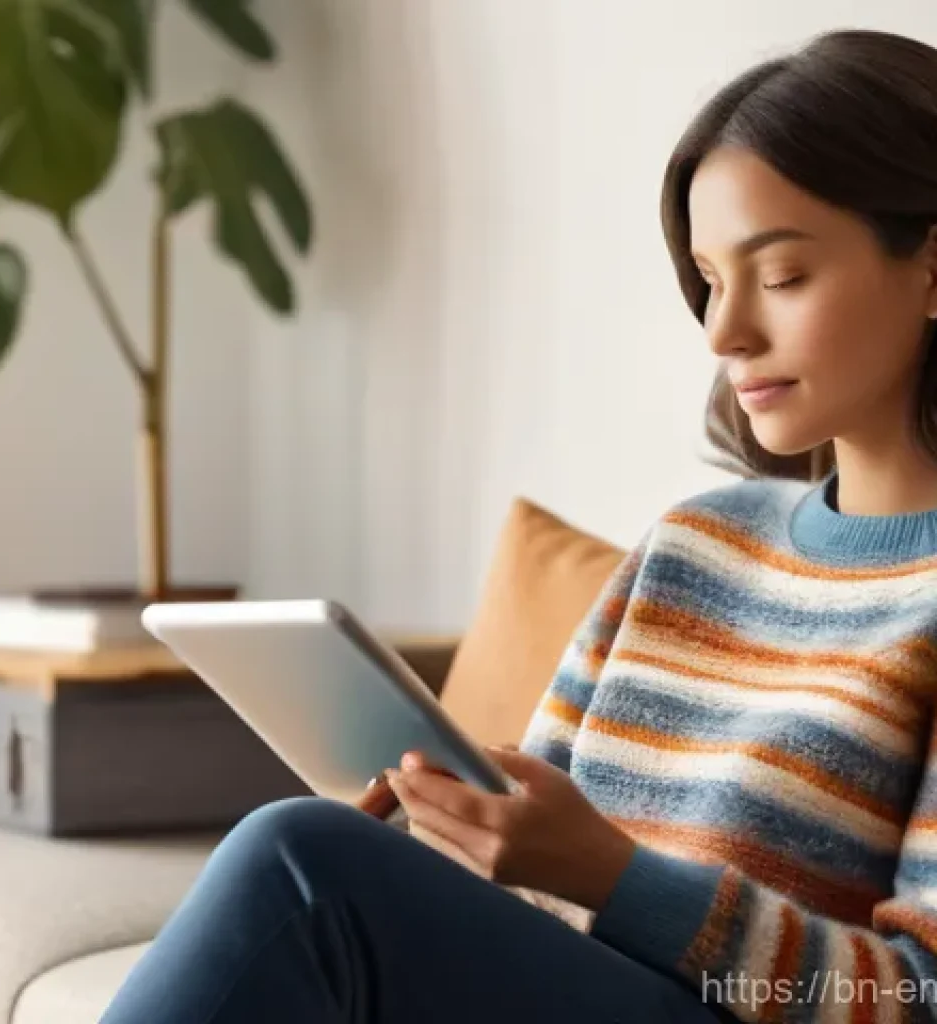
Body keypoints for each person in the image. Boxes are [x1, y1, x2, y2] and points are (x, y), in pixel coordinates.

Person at [101, 27, 937, 1024]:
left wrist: (617, 877)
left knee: (299, 863)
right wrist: (447, 831)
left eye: (782, 275)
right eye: (709, 281)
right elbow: (530, 862)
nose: (723, 332)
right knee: (325, 859)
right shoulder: (690, 547)